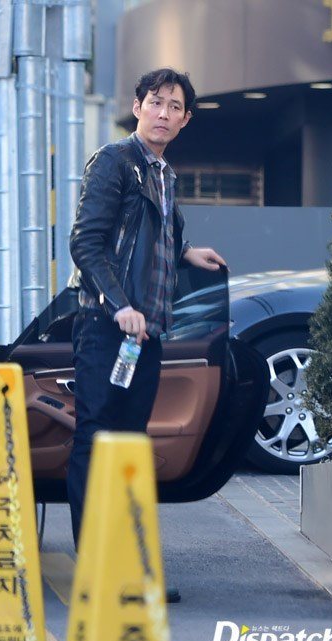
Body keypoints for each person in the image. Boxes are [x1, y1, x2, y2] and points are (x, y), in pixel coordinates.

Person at [67, 68, 226, 572]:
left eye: (174, 107)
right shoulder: (115, 162)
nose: (163, 113)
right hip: (106, 325)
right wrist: (121, 306)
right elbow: (86, 244)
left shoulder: (163, 173)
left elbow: (152, 238)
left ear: (185, 120)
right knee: (96, 438)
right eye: (155, 102)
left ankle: (123, 561)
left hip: (146, 332)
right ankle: (95, 562)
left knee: (130, 445)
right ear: (137, 107)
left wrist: (187, 252)